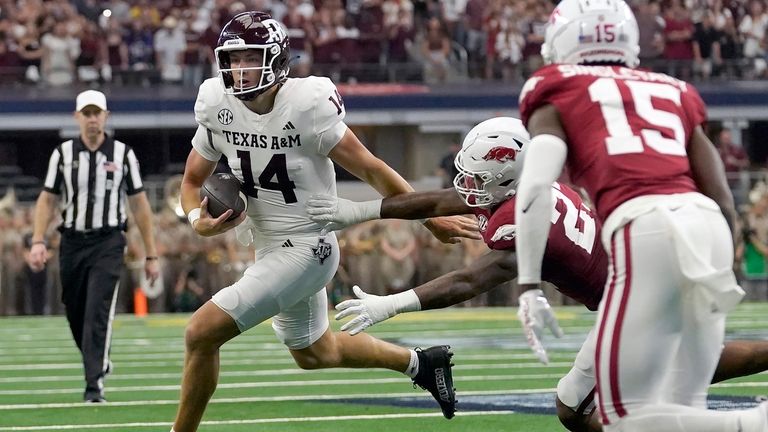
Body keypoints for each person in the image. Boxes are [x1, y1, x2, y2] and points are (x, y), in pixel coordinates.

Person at [306, 117, 768, 432]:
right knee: (640, 384)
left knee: (583, 405)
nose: (467, 187)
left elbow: (472, 280)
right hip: (640, 285)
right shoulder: (520, 186)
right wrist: (357, 211)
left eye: (477, 180)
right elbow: (432, 201)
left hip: (639, 302)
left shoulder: (523, 214)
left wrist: (392, 304)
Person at [171, 11, 478, 432]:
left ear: (277, 60)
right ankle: (421, 363)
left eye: (250, 59)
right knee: (316, 353)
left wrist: (428, 217)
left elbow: (372, 169)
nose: (239, 71)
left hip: (307, 245)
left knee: (201, 332)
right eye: (233, 60)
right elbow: (191, 181)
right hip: (267, 243)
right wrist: (196, 219)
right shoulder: (217, 105)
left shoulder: (308, 106)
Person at [514, 0, 766, 430]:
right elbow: (721, 192)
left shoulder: (555, 85)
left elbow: (537, 187)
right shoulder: (674, 88)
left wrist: (529, 285)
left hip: (644, 226)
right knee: (684, 404)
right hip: (706, 222)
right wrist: (724, 261)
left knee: (620, 418)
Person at [29, 89, 161, 403]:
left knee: (97, 311)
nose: (91, 119)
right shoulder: (62, 154)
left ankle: (93, 386)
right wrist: (38, 240)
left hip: (108, 241)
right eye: (86, 113)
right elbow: (47, 199)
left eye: (96, 113)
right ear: (77, 117)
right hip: (72, 241)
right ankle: (98, 359)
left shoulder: (122, 154)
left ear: (106, 116)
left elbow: (140, 205)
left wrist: (151, 254)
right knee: (74, 311)